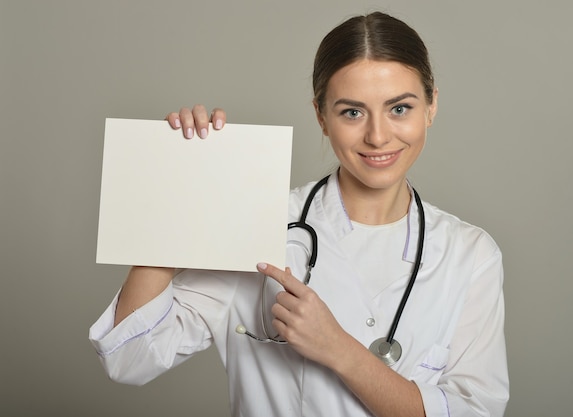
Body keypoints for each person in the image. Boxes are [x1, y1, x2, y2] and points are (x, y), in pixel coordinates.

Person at [89, 11, 509, 417]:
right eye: (352, 112)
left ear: (431, 106)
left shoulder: (470, 254)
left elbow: (473, 410)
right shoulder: (258, 223)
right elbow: (130, 358)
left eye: (400, 108)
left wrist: (340, 351)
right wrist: (179, 194)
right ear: (321, 116)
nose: (378, 135)